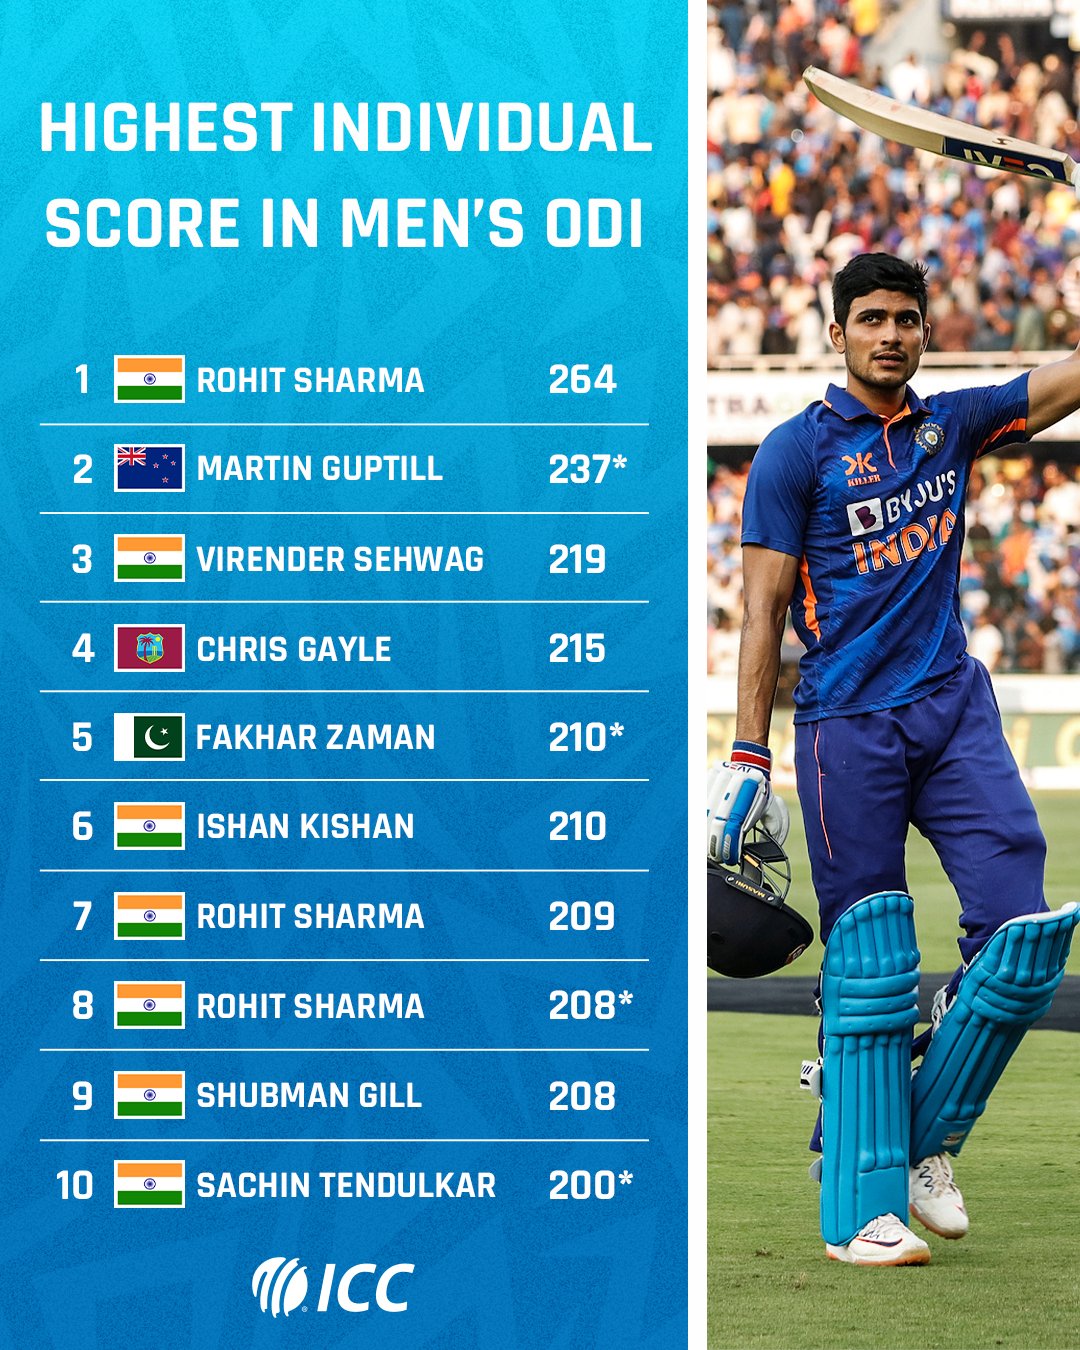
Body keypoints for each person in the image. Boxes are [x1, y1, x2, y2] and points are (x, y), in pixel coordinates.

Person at [706, 253, 1080, 1266]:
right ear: (837, 333)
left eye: (906, 319)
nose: (889, 334)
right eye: (870, 318)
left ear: (924, 332)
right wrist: (748, 754)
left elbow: (1066, 379)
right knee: (871, 964)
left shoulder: (951, 426)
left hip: (954, 711)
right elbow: (763, 612)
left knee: (1023, 940)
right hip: (847, 729)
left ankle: (921, 1138)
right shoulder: (794, 454)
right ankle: (860, 1209)